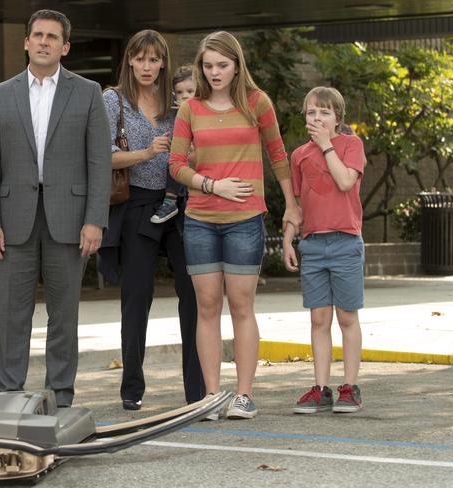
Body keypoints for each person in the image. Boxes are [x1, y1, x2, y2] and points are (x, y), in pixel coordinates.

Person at [0, 9, 111, 407]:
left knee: (64, 316)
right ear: (25, 42)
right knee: (10, 316)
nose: (44, 42)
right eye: (37, 35)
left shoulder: (87, 92)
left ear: (65, 47)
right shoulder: (0, 94)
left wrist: (94, 220)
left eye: (53, 37)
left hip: (69, 221)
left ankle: (60, 397)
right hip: (11, 220)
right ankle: (8, 395)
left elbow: (99, 162)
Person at [169, 31, 301, 420]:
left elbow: (278, 155)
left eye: (222, 65)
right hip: (200, 221)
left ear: (237, 64)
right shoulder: (189, 109)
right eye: (208, 66)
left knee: (242, 306)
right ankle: (212, 395)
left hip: (245, 219)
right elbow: (176, 165)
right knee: (206, 307)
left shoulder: (257, 103)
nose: (214, 73)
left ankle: (244, 395)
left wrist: (291, 205)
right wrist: (212, 184)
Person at [99, 30, 205, 411]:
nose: (146, 66)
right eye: (139, 58)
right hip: (137, 205)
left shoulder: (180, 100)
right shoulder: (113, 100)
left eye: (153, 59)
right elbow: (101, 155)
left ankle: (197, 389)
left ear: (163, 63)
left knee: (192, 295)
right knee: (137, 296)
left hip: (181, 202)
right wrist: (145, 153)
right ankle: (132, 388)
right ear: (130, 60)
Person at [283, 86, 366, 414]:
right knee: (319, 318)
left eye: (324, 112)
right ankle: (321, 388)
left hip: (345, 241)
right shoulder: (299, 155)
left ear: (337, 118)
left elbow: (346, 182)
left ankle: (350, 386)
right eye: (311, 112)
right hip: (313, 245)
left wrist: (326, 145)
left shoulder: (351, 145)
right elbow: (299, 205)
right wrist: (289, 238)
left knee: (346, 315)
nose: (317, 118)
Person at [150, 64, 196, 224]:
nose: (184, 96)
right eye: (180, 92)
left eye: (190, 91)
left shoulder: (205, 112)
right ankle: (170, 201)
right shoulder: (175, 114)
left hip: (201, 172)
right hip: (181, 172)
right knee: (172, 161)